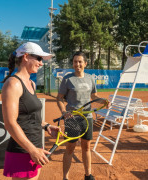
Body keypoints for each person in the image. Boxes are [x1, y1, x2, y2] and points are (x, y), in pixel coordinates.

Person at [1, 42, 59, 179]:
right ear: (26, 56)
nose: (41, 63)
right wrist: (32, 150)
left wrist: (46, 126)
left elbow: (29, 116)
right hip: (23, 151)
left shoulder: (31, 83)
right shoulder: (13, 83)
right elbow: (10, 123)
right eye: (39, 59)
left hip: (35, 147)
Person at [57, 51, 99, 180]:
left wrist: (102, 101)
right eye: (75, 62)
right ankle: (65, 177)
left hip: (87, 118)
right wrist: (64, 112)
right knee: (70, 148)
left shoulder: (90, 78)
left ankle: (88, 175)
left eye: (80, 61)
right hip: (72, 118)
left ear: (85, 63)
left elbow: (94, 96)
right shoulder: (67, 79)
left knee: (86, 147)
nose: (77, 64)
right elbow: (59, 98)